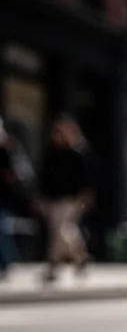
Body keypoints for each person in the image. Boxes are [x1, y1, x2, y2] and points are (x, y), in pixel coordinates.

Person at [37, 116, 94, 284]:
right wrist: (41, 197)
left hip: (72, 198)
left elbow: (87, 177)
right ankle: (80, 256)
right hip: (54, 198)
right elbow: (44, 177)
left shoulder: (78, 153)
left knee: (60, 229)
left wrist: (86, 195)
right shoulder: (51, 153)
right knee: (63, 230)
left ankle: (53, 265)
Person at [0, 117, 34, 278]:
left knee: (2, 229)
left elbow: (21, 173)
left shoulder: (10, 149)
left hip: (5, 196)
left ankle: (7, 262)